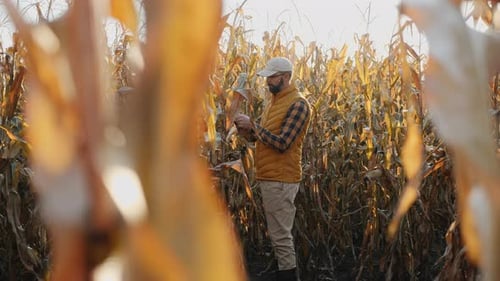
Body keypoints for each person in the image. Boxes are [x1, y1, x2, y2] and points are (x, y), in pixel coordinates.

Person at [234, 57, 311, 281]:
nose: (268, 81)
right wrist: (247, 132)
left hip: (282, 179)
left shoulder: (298, 104)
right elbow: (264, 138)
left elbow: (283, 143)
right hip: (271, 178)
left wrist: (254, 126)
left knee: (281, 238)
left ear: (286, 77)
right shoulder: (274, 103)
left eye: (272, 77)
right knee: (279, 237)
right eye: (267, 77)